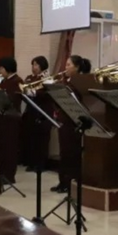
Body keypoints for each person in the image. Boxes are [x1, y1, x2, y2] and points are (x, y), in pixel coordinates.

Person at [52, 55, 91, 193]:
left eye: (69, 65)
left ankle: (71, 183)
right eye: (66, 64)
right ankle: (62, 181)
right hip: (63, 119)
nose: (65, 67)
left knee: (71, 152)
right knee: (63, 152)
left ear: (77, 67)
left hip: (73, 121)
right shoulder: (66, 81)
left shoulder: (79, 82)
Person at [0, 56, 22, 185]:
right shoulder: (3, 81)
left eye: (1, 68)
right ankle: (1, 173)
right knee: (1, 147)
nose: (0, 71)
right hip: (0, 117)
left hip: (11, 119)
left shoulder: (17, 81)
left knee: (9, 147)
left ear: (6, 68)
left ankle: (9, 175)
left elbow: (14, 99)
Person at [22, 56, 51, 173]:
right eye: (32, 65)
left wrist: (34, 92)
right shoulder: (29, 78)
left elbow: (46, 94)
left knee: (42, 139)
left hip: (43, 111)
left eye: (36, 65)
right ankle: (32, 162)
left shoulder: (46, 78)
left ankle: (41, 164)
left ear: (42, 66)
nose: (33, 67)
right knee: (31, 138)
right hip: (31, 110)